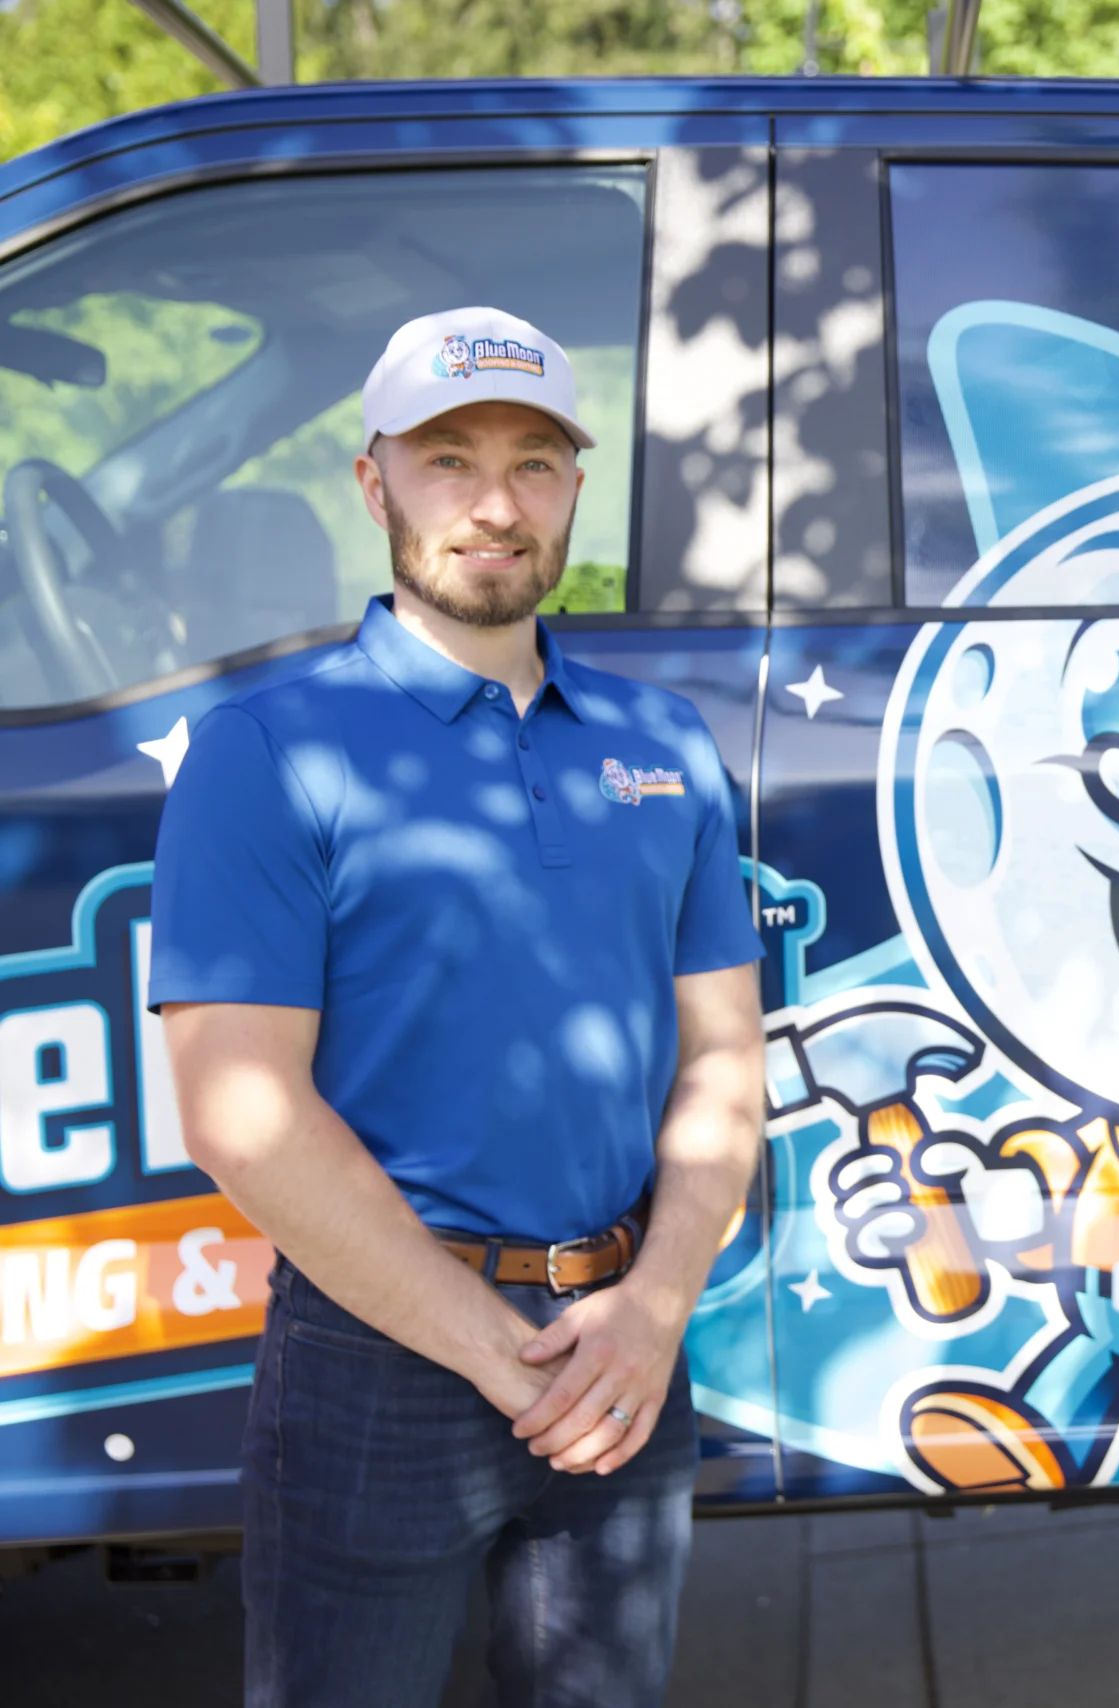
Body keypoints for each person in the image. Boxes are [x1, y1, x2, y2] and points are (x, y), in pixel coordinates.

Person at [150, 306, 766, 1708]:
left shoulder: (661, 745)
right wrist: (505, 1356)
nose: (496, 505)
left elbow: (725, 1064)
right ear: (374, 483)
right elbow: (242, 1117)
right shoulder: (267, 752)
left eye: (536, 462)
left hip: (621, 1350)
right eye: (448, 458)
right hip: (379, 1365)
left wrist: (653, 1311)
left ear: (575, 491)